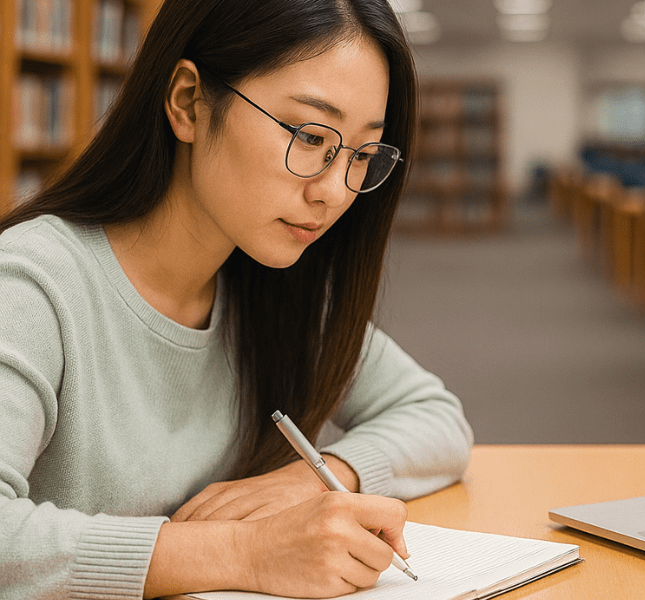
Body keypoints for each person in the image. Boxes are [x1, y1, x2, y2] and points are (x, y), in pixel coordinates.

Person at [0, 0, 473, 598]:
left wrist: (315, 478)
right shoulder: (32, 283)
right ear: (189, 103)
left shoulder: (267, 285)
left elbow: (436, 418)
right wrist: (245, 553)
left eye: (360, 154)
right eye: (308, 136)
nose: (332, 192)